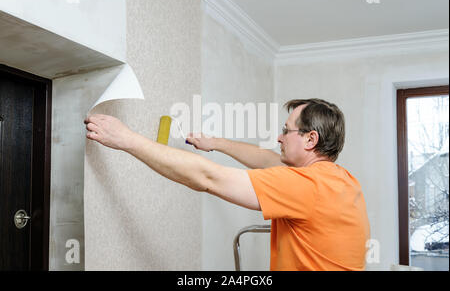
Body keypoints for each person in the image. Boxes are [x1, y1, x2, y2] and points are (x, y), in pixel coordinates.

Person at [84, 98, 370, 271]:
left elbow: (209, 178)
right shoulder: (339, 179)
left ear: (310, 140)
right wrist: (214, 143)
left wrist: (127, 139)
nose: (280, 138)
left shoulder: (307, 186)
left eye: (286, 131)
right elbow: (266, 159)